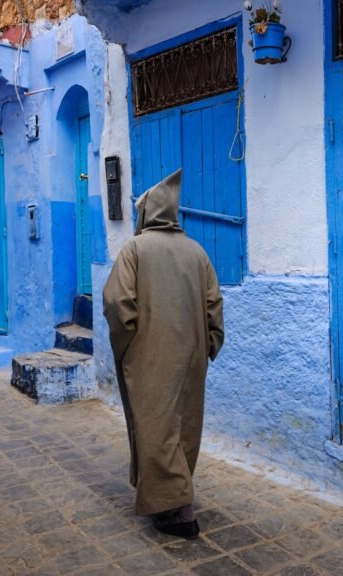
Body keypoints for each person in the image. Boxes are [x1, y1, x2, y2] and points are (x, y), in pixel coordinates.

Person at [103, 168, 224, 539]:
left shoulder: (135, 250)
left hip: (149, 357)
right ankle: (174, 499)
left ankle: (178, 511)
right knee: (185, 425)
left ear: (146, 213)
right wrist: (208, 347)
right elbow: (213, 307)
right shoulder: (197, 252)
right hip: (191, 359)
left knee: (156, 427)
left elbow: (117, 304)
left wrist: (126, 350)